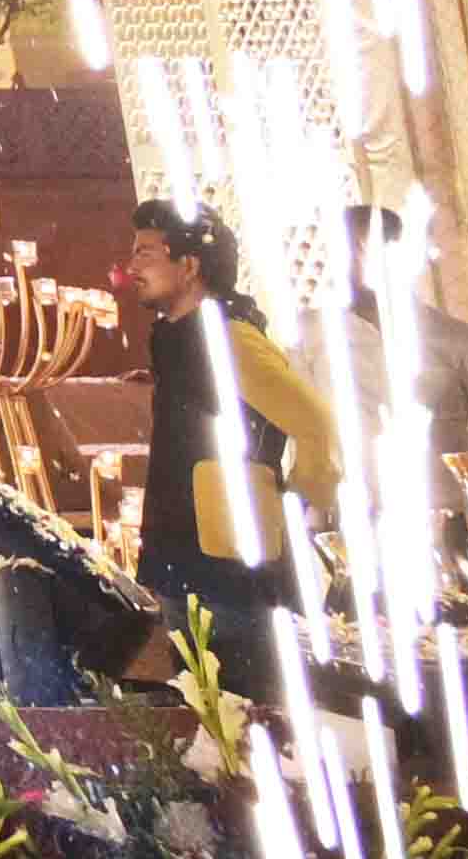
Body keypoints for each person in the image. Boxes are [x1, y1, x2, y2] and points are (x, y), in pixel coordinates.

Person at [125, 200, 331, 684]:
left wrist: (299, 506)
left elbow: (318, 426)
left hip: (232, 567)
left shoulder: (228, 337)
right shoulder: (178, 336)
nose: (131, 266)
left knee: (246, 711)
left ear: (190, 266)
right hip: (187, 554)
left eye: (146, 253)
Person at [343, 208, 468, 464]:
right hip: (351, 503)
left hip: (448, 501)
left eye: (367, 249)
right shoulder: (317, 343)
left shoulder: (462, 342)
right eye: (346, 250)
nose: (355, 261)